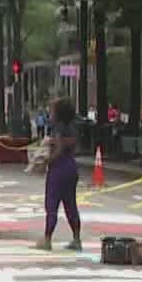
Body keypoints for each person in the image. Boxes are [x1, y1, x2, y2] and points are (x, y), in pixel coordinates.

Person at [36, 97, 83, 252]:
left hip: (58, 169)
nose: (50, 112)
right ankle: (76, 239)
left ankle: (47, 239)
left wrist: (46, 161)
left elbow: (59, 149)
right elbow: (71, 145)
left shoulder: (57, 128)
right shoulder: (72, 128)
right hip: (71, 167)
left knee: (52, 205)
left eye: (52, 110)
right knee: (71, 205)